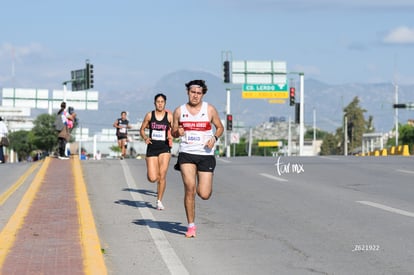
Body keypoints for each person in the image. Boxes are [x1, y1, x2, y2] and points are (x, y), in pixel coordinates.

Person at [171, 80, 224, 238]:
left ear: (203, 94)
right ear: (188, 92)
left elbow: (220, 127)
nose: (195, 95)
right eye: (193, 92)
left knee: (204, 194)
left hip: (205, 154)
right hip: (186, 153)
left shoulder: (210, 110)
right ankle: (191, 226)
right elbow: (173, 131)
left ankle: (205, 186)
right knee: (190, 188)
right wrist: (177, 132)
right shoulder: (179, 111)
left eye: (199, 93)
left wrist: (214, 138)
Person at [140, 93, 173, 210]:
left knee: (162, 175)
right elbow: (142, 129)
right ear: (154, 103)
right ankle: (149, 166)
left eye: (162, 102)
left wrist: (172, 136)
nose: (160, 104)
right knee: (152, 178)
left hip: (164, 148)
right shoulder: (150, 115)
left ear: (165, 103)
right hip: (152, 148)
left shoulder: (169, 116)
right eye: (158, 102)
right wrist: (145, 138)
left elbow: (174, 131)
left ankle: (159, 201)